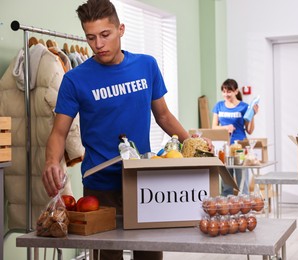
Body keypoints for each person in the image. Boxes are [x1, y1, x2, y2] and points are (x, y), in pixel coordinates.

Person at [41, 0, 204, 259]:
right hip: (99, 186)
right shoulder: (75, 79)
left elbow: (163, 115)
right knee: (107, 256)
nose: (98, 44)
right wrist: (51, 162)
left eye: (105, 35)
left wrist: (197, 149)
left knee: (149, 255)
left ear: (121, 30)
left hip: (144, 182)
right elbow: (59, 132)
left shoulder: (146, 66)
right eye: (91, 37)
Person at [212, 79, 258, 196]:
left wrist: (252, 115)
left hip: (240, 147)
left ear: (236, 91)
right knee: (226, 181)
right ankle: (226, 207)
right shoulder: (219, 106)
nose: (226, 94)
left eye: (229, 92)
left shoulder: (244, 107)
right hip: (224, 147)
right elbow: (213, 127)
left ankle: (245, 205)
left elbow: (249, 130)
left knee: (242, 179)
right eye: (224, 91)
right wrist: (226, 127)